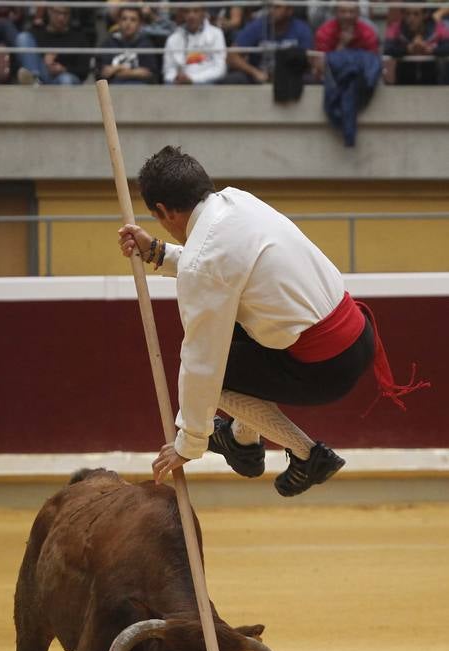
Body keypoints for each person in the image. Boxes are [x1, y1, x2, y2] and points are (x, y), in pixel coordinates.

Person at [118, 146, 429, 496]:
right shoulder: (238, 201)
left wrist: (188, 444)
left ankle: (306, 453)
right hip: (359, 337)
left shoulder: (204, 262)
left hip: (327, 367)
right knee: (232, 329)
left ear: (161, 211)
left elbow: (202, 362)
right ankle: (243, 443)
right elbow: (216, 264)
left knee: (218, 369)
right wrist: (158, 252)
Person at [224, 1, 313, 85]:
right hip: (259, 76)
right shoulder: (257, 26)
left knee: (310, 79)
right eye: (270, 7)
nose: (271, 10)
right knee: (234, 79)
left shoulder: (302, 29)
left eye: (277, 7)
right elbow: (231, 56)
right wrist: (254, 72)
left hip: (291, 76)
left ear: (289, 11)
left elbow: (309, 59)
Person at [16, 5, 92, 85]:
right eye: (57, 13)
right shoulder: (37, 32)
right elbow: (27, 59)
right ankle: (35, 80)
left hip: (65, 77)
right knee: (23, 37)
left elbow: (84, 70)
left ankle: (36, 81)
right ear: (49, 11)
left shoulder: (78, 37)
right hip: (42, 74)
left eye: (65, 14)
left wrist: (63, 69)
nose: (61, 18)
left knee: (66, 79)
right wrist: (44, 62)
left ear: (70, 15)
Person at [383, 1, 449, 85]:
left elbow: (447, 47)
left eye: (416, 14)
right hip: (403, 80)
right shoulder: (395, 28)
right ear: (403, 15)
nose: (411, 18)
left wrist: (430, 50)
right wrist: (407, 49)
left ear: (425, 15)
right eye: (408, 14)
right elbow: (387, 49)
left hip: (433, 80)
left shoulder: (438, 27)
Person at [163, 5, 226, 85]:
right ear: (182, 14)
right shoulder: (172, 39)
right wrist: (176, 78)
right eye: (187, 12)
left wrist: (192, 79)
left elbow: (220, 70)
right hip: (179, 85)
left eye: (196, 11)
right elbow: (168, 72)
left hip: (207, 85)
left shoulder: (216, 34)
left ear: (203, 13)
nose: (191, 15)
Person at [96, 6, 159, 83]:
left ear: (140, 24)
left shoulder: (146, 45)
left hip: (141, 90)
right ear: (118, 21)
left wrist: (116, 69)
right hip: (113, 89)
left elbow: (148, 74)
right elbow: (105, 73)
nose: (128, 23)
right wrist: (133, 71)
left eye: (133, 20)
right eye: (124, 19)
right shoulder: (108, 43)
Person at [314, 1, 379, 53]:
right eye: (343, 11)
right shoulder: (324, 32)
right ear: (336, 13)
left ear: (358, 13)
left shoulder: (368, 32)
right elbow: (321, 64)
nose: (347, 16)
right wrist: (342, 44)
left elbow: (373, 61)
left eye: (351, 11)